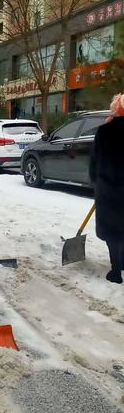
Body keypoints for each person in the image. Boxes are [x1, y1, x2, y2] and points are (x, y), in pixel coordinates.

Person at [90, 93, 124, 284]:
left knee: (112, 232)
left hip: (109, 191)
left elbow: (94, 161)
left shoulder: (105, 131)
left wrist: (95, 182)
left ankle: (116, 271)